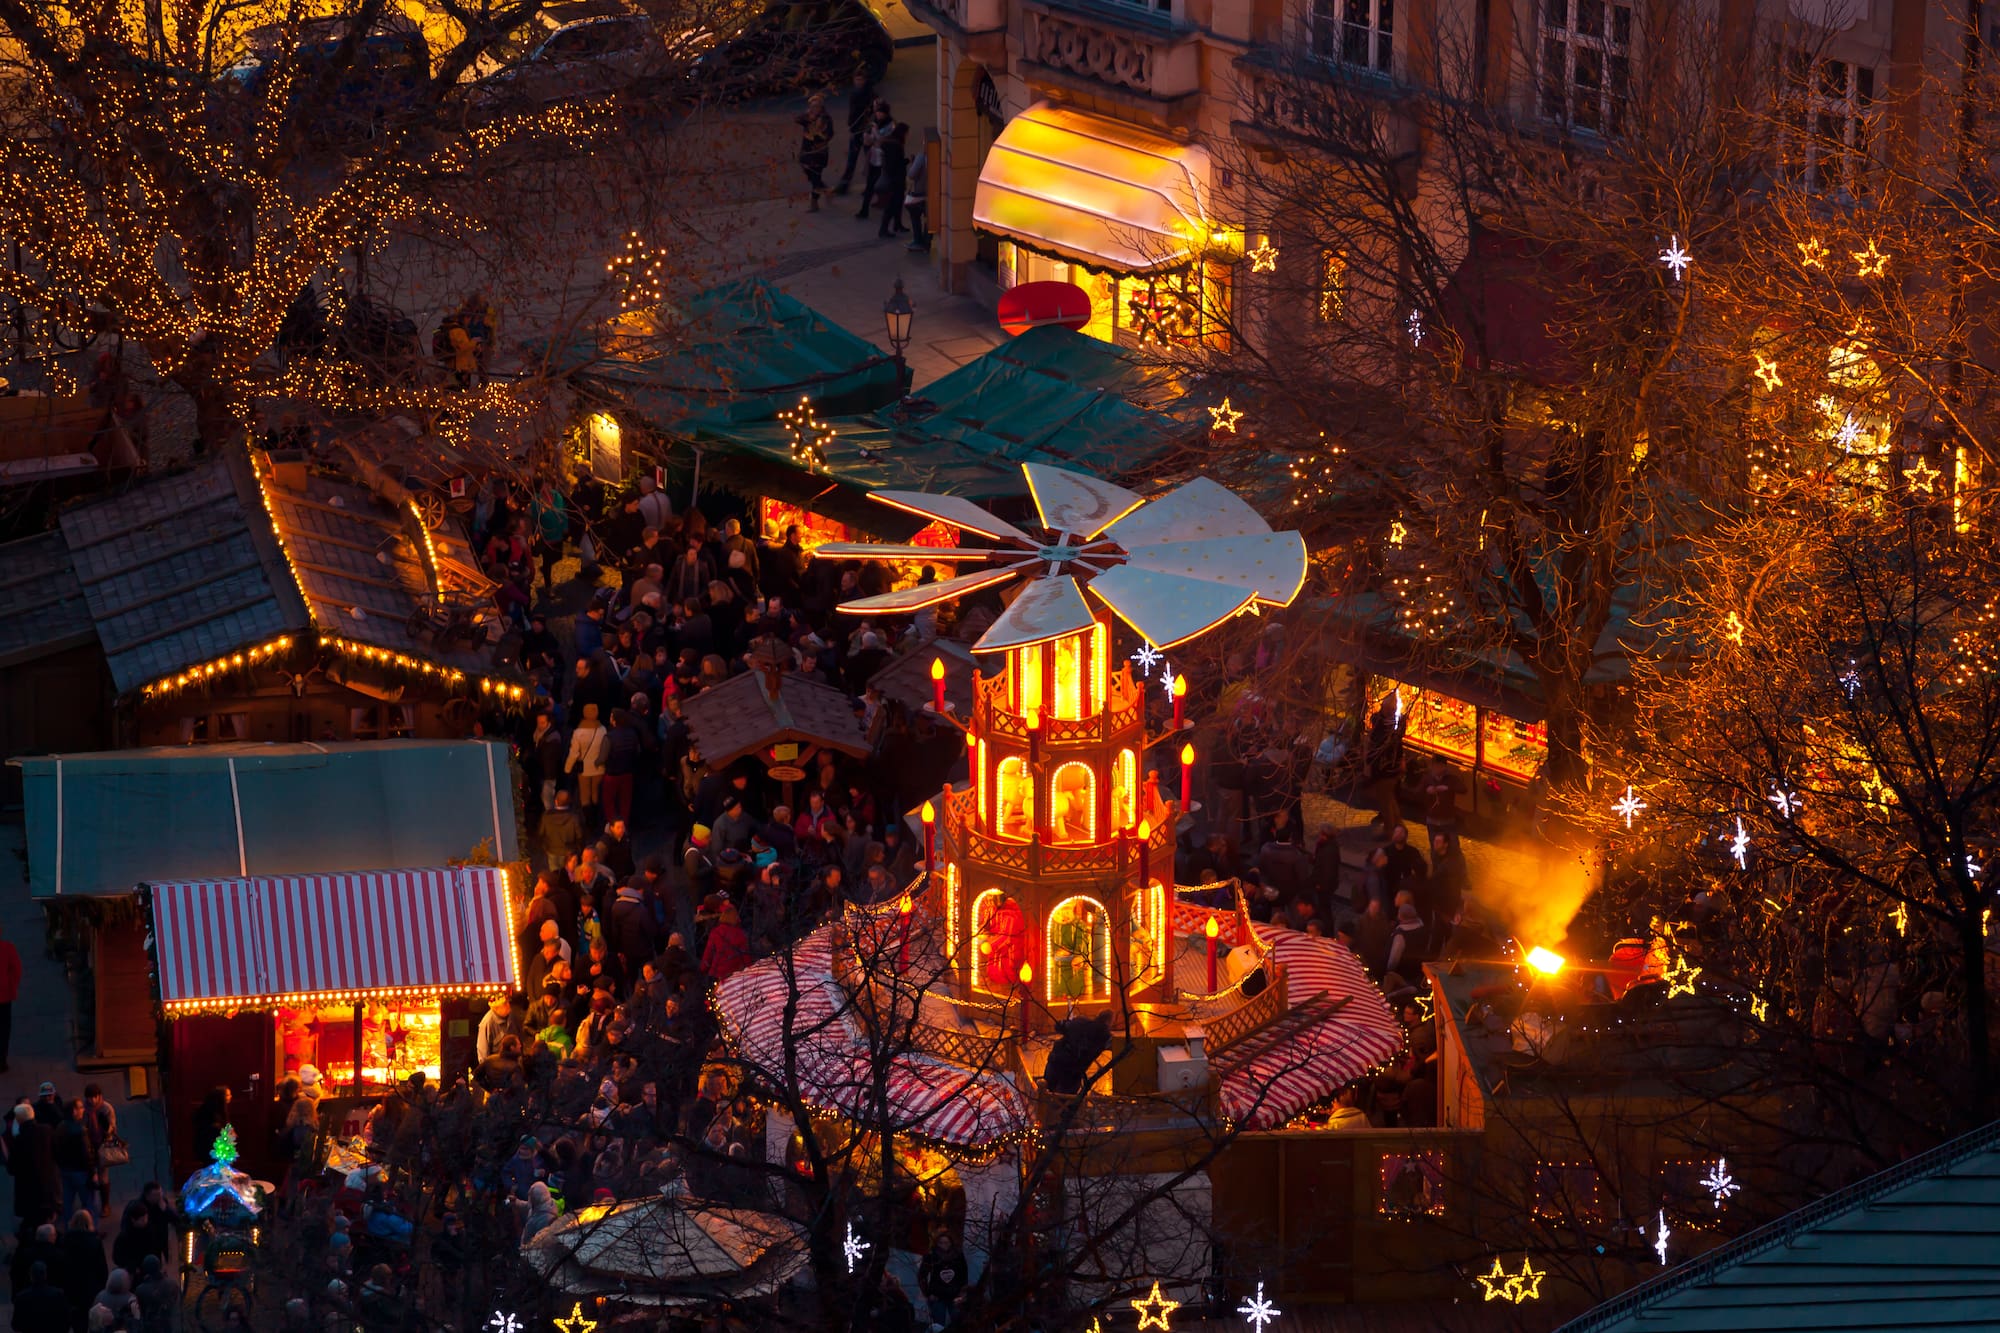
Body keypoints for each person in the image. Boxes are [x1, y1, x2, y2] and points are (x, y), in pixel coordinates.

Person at [9, 1103, 60, 1230]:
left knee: (31, 1224)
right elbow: (57, 1153)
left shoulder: (19, 1140)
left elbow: (12, 1168)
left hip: (28, 1194)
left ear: (19, 1120)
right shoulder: (47, 1130)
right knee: (45, 1223)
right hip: (48, 1190)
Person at [831, 68, 875, 195]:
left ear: (865, 80)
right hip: (856, 130)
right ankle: (844, 185)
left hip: (865, 131)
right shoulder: (856, 93)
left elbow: (871, 114)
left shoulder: (869, 94)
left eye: (860, 80)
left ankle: (870, 186)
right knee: (852, 159)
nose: (858, 82)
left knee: (868, 160)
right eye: (857, 79)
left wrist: (867, 129)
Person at [918, 1230, 967, 1328]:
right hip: (937, 1297)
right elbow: (922, 1276)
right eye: (941, 1243)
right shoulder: (931, 1256)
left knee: (958, 1324)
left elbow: (964, 1274)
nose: (944, 1245)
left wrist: (962, 1293)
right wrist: (928, 1294)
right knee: (938, 1326)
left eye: (946, 1242)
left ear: (951, 1243)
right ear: (937, 1243)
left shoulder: (958, 1255)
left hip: (955, 1296)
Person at [795, 94, 833, 211]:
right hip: (806, 152)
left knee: (816, 177)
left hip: (818, 152)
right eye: (812, 106)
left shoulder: (825, 118)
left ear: (821, 107)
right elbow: (797, 119)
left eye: (816, 106)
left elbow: (829, 134)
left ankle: (814, 203)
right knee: (809, 173)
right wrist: (808, 116)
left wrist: (818, 137)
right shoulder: (808, 116)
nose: (814, 109)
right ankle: (826, 189)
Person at [874, 121, 909, 238]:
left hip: (891, 178)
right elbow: (894, 164)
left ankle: (897, 225)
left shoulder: (888, 142)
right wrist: (905, 162)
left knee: (897, 203)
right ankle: (884, 229)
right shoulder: (896, 145)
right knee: (892, 205)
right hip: (895, 180)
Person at [11, 1261, 67, 1333]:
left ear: (31, 1276)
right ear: (45, 1275)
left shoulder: (21, 1297)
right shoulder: (58, 1295)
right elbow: (65, 1322)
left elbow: (16, 1325)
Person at [903, 140, 930, 253]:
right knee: (928, 220)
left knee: (915, 217)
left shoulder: (922, 157)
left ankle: (918, 241)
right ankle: (927, 241)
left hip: (918, 194)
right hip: (931, 195)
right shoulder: (938, 157)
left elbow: (912, 174)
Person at [0, 924, 19, 1071]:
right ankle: (2, 1060)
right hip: (4, 996)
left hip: (5, 994)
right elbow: (16, 969)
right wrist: (11, 985)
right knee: (4, 1029)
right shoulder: (7, 948)